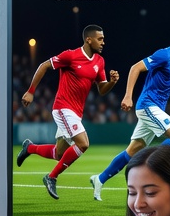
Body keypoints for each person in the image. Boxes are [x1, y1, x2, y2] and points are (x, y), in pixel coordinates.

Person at [91, 23, 170, 201]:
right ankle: (150, 165)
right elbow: (135, 68)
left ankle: (99, 179)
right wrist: (128, 96)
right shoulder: (164, 54)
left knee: (132, 151)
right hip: (147, 105)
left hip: (156, 108)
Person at [17, 25, 120, 199]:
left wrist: (112, 82)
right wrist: (31, 91)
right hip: (63, 107)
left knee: (59, 154)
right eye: (100, 39)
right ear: (89, 39)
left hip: (76, 112)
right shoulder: (70, 56)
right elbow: (43, 66)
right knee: (83, 144)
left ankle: (30, 148)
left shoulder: (99, 62)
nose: (103, 42)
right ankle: (51, 177)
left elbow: (102, 89)